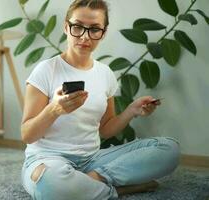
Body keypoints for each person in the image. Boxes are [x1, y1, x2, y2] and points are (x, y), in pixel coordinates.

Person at [20, 0, 180, 199]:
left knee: (169, 148)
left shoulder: (105, 74)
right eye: (77, 27)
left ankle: (93, 180)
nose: (85, 37)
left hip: (93, 160)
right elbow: (27, 134)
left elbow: (105, 129)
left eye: (94, 29)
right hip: (48, 159)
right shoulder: (45, 70)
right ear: (66, 27)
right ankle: (115, 190)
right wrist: (55, 110)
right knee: (48, 183)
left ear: (103, 32)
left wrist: (131, 111)